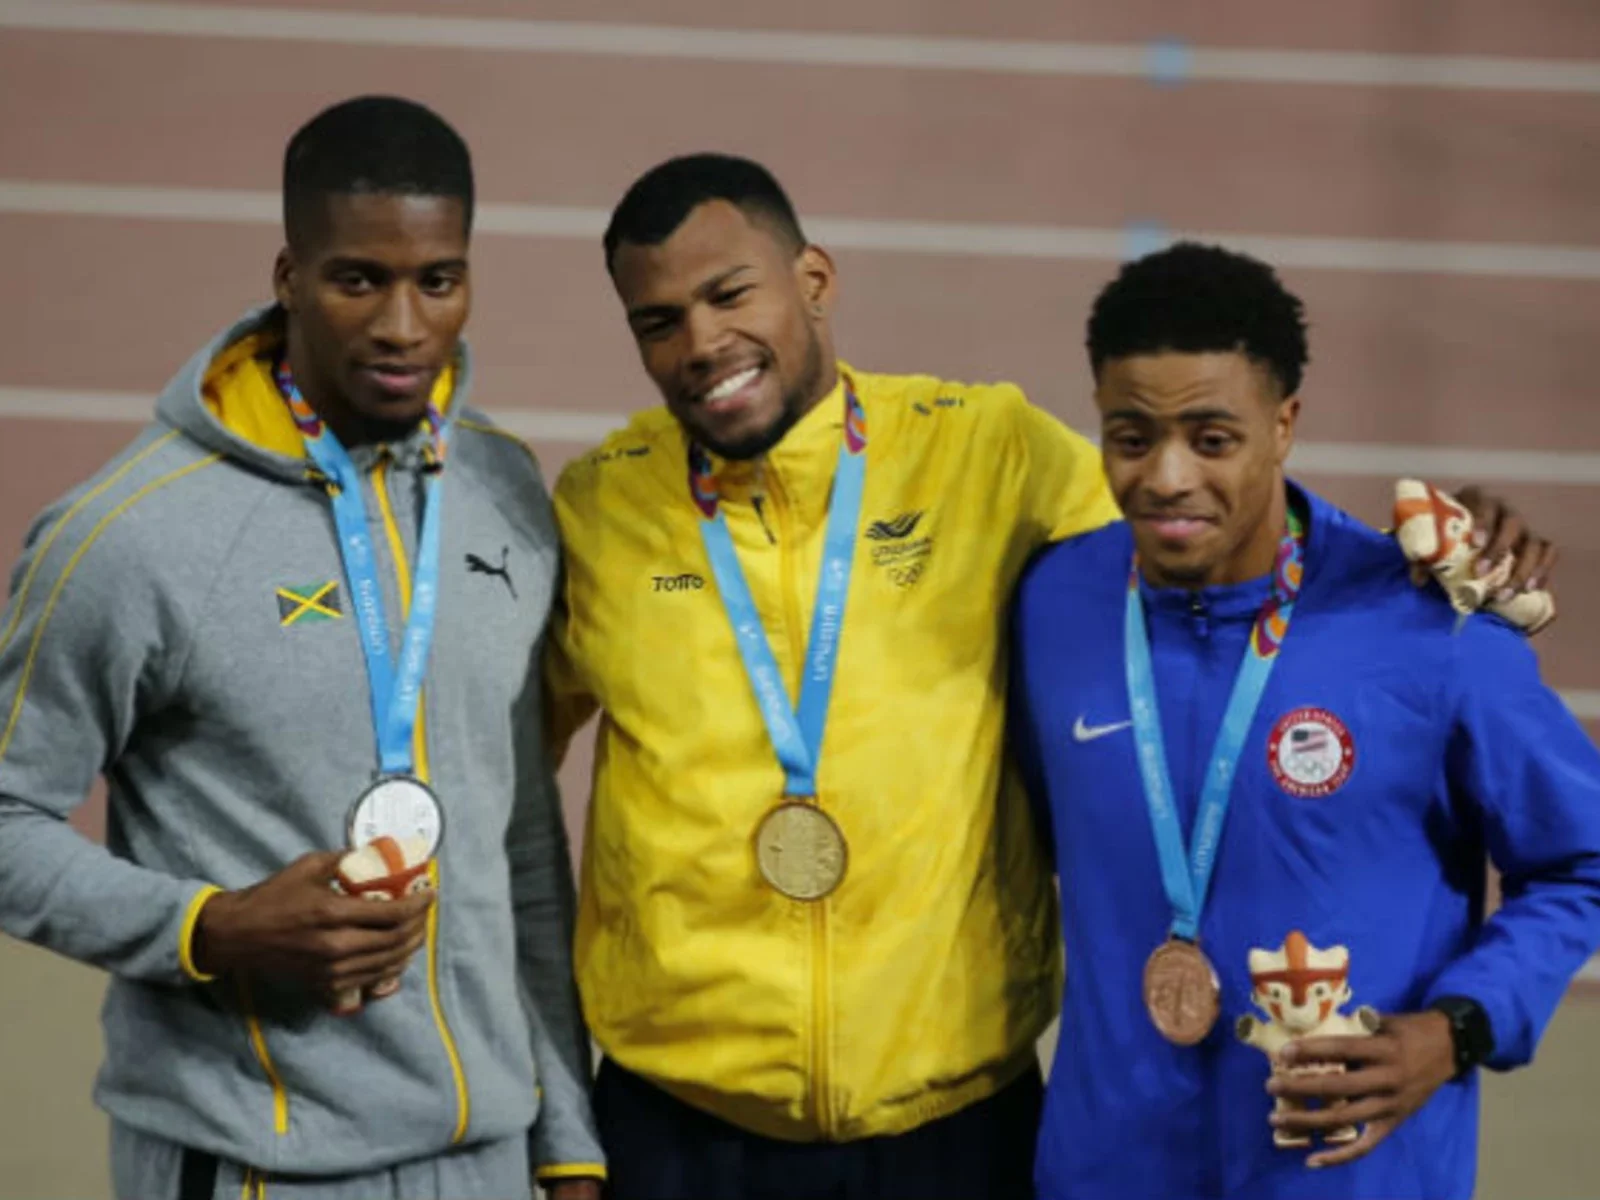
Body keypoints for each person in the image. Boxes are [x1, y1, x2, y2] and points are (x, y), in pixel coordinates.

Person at [543, 153, 1557, 1200]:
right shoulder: (595, 511)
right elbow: (506, 797)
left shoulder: (987, 452)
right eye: (657, 322)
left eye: (728, 294)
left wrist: (1428, 550)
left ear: (812, 280)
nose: (701, 343)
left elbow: (1212, 517)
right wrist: (558, 1122)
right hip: (674, 1129)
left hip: (950, 1130)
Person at [0, 96, 602, 1200]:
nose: (403, 326)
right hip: (254, 1166)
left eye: (438, 280)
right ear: (288, 275)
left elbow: (517, 837)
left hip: (488, 1164)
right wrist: (209, 927)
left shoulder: (503, 491)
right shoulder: (131, 536)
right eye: (357, 278)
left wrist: (567, 1136)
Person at [1008, 241, 1600, 1200]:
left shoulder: (1427, 627)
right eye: (1130, 436)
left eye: (1211, 439)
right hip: (1104, 1171)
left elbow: (1585, 861)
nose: (1165, 478)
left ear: (1284, 425)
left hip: (1349, 1179)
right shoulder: (1053, 604)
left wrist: (1453, 1031)